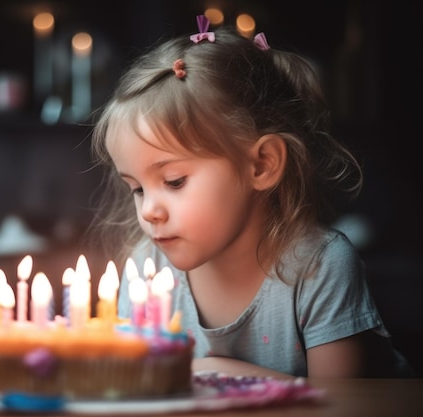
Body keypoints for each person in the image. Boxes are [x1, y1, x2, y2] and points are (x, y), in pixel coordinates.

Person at [88, 16, 414, 378]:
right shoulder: (146, 271)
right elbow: (133, 388)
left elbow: (336, 403)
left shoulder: (319, 267)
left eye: (175, 181)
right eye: (136, 188)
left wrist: (213, 371)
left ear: (261, 165)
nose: (149, 211)